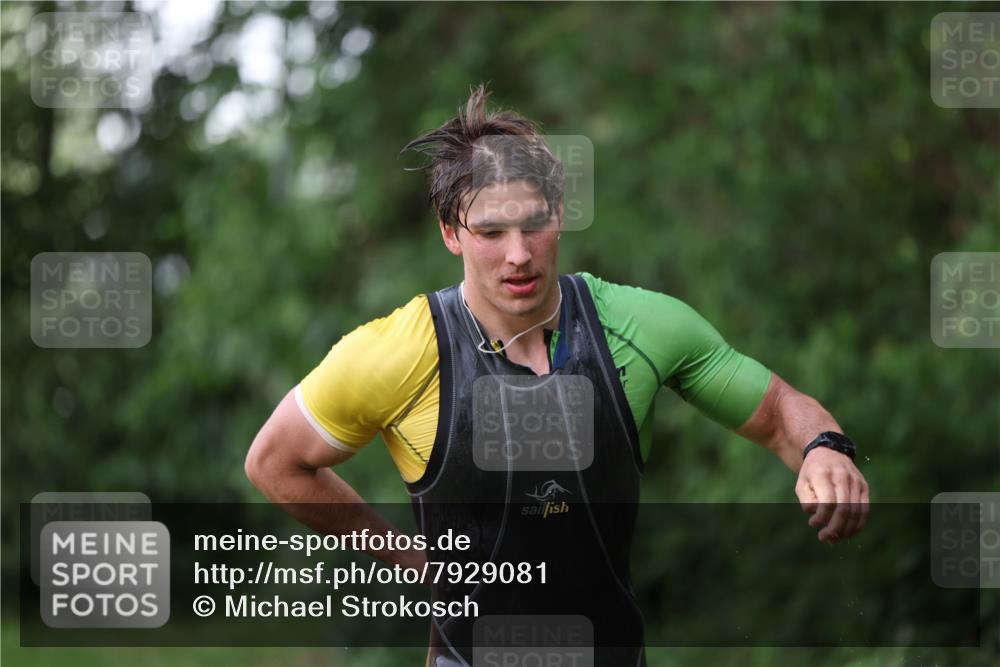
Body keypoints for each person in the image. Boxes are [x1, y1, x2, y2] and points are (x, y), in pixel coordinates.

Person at [245, 84, 870, 666]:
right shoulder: (399, 353)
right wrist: (409, 562)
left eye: (534, 225)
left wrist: (824, 448)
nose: (518, 254)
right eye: (491, 232)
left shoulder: (638, 327)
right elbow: (274, 462)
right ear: (451, 233)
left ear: (562, 213)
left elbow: (780, 411)